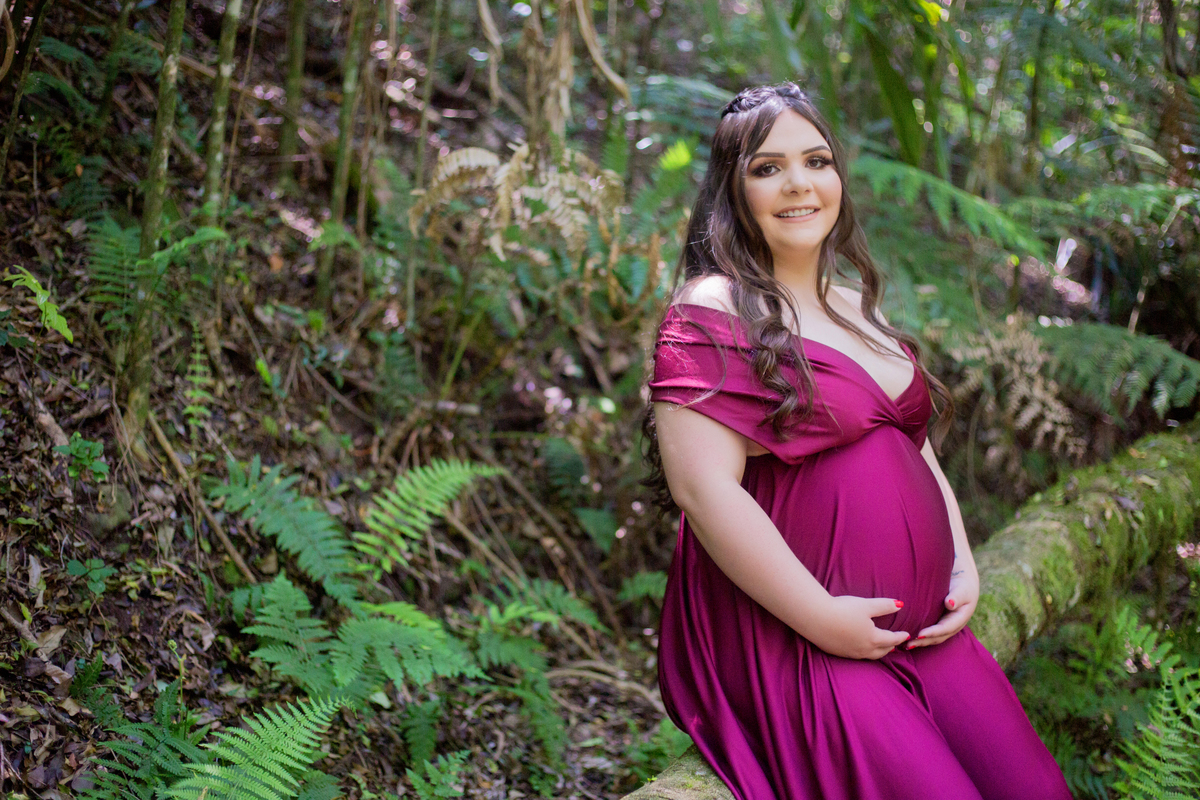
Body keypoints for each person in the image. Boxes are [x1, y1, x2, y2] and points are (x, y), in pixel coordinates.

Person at [643, 82, 1071, 800]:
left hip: (924, 631)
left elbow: (915, 445)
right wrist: (822, 619)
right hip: (800, 637)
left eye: (816, 160)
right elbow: (702, 490)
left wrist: (961, 565)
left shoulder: (854, 305)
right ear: (731, 189)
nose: (799, 183)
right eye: (768, 167)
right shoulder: (711, 308)